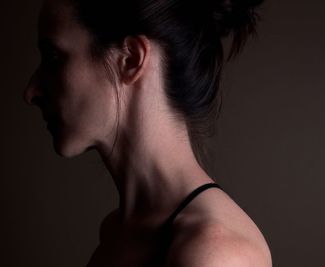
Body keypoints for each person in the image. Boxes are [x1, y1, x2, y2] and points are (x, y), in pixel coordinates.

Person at [24, 0, 272, 266]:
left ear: (130, 59)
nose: (31, 92)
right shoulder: (117, 231)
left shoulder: (215, 253)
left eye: (53, 58)